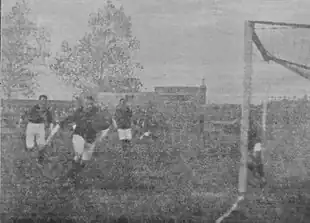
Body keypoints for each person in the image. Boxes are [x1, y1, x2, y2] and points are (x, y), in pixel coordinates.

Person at [59, 95, 112, 185]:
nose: (89, 106)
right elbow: (69, 119)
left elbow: (106, 124)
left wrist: (102, 128)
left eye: (91, 104)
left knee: (84, 161)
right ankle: (68, 178)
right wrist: (62, 123)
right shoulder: (79, 112)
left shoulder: (97, 113)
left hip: (91, 139)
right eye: (87, 104)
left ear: (93, 104)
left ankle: (73, 176)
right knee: (78, 155)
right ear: (84, 104)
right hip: (79, 135)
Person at [21, 94, 54, 166]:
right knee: (29, 146)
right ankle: (29, 161)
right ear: (39, 101)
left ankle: (40, 162)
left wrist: (50, 130)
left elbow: (50, 121)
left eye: (45, 101)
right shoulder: (33, 108)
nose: (43, 102)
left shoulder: (47, 111)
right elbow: (25, 114)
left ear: (46, 102)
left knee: (41, 145)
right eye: (42, 100)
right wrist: (21, 120)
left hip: (40, 127)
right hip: (31, 126)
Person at [247, 112, 266, 188]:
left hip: (256, 145)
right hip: (253, 145)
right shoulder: (250, 125)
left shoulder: (255, 125)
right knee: (250, 162)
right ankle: (261, 179)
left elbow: (258, 138)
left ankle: (259, 179)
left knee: (254, 162)